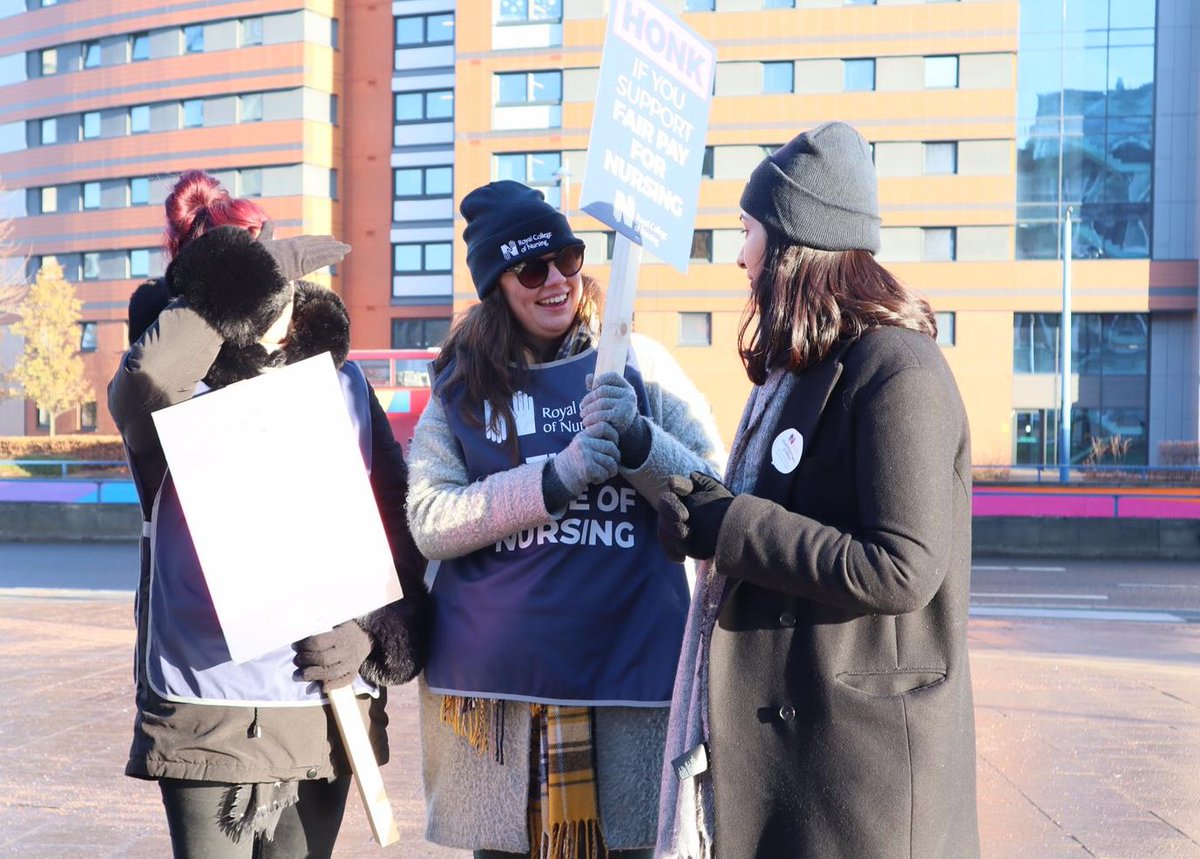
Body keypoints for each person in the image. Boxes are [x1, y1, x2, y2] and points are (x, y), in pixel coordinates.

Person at [656, 122, 979, 858]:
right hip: (806, 761)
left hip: (860, 778)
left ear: (795, 242)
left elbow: (901, 565)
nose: (740, 256)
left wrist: (729, 525)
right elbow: (779, 517)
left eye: (748, 232)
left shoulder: (900, 370)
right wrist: (694, 509)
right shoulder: (804, 370)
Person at [109, 170, 429, 858]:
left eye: (272, 282)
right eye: (247, 287)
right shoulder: (172, 393)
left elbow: (394, 528)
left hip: (324, 708)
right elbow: (145, 385)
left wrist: (377, 634)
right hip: (209, 709)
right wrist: (228, 287)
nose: (267, 306)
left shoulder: (340, 382)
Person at [405, 180, 725, 859]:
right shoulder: (459, 390)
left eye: (569, 258)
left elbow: (712, 489)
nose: (556, 280)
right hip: (498, 711)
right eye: (531, 267)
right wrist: (554, 479)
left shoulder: (643, 365)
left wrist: (639, 441)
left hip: (627, 688)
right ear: (498, 284)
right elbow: (430, 518)